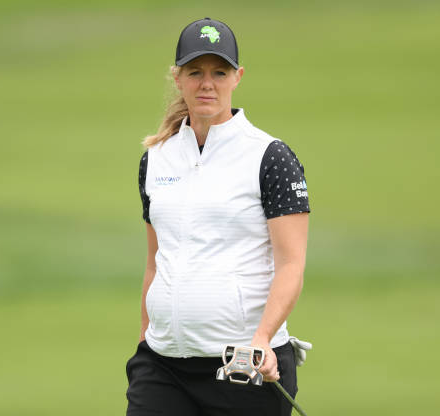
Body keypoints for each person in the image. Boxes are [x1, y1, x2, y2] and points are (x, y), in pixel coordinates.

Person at [126, 17, 311, 416]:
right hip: (162, 367)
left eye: (219, 72)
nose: (206, 83)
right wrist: (145, 341)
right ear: (177, 78)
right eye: (195, 72)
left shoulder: (269, 156)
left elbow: (291, 264)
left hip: (243, 368)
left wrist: (263, 338)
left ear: (237, 77)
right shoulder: (156, 159)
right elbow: (155, 262)